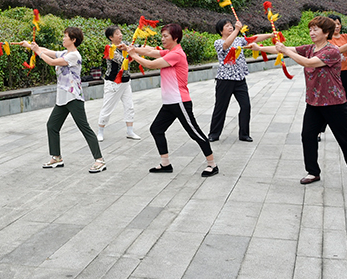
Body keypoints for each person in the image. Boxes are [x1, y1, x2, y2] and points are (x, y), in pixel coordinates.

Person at [247, 16, 347, 185]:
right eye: (310, 29)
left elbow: (308, 62)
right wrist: (259, 48)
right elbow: (285, 48)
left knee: (345, 137)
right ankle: (313, 172)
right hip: (314, 102)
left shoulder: (331, 51)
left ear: (326, 33)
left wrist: (286, 51)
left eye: (315, 29)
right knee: (307, 136)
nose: (312, 32)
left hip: (334, 103)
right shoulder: (310, 48)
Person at [124, 23, 218, 177]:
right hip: (169, 103)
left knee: (195, 133)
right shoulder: (170, 51)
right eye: (162, 36)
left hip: (180, 102)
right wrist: (127, 48)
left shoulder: (177, 54)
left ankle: (212, 164)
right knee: (156, 129)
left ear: (175, 37)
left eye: (165, 36)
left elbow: (151, 64)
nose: (162, 39)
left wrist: (133, 55)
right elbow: (149, 51)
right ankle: (165, 164)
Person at [22, 27, 106, 173]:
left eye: (65, 36)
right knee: (52, 126)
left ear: (73, 40)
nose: (63, 38)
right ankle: (56, 157)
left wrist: (37, 51)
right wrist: (30, 46)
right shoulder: (64, 53)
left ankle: (99, 160)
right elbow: (48, 51)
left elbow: (51, 61)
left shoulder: (73, 56)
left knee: (84, 128)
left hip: (73, 98)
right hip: (62, 98)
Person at [208, 19, 274, 143]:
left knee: (246, 106)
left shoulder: (239, 40)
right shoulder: (218, 42)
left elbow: (254, 39)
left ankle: (244, 134)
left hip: (239, 79)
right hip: (225, 80)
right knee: (220, 108)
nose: (230, 27)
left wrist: (270, 35)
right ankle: (213, 134)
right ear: (221, 31)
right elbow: (226, 45)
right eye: (227, 26)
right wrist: (238, 30)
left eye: (231, 25)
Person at [97, 25, 141, 142]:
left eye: (120, 32)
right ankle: (100, 131)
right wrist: (132, 52)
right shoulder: (109, 48)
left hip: (126, 82)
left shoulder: (125, 45)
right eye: (117, 33)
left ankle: (130, 131)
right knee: (107, 107)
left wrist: (153, 49)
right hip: (113, 83)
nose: (120, 35)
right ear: (111, 37)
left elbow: (139, 47)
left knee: (129, 105)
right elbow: (123, 61)